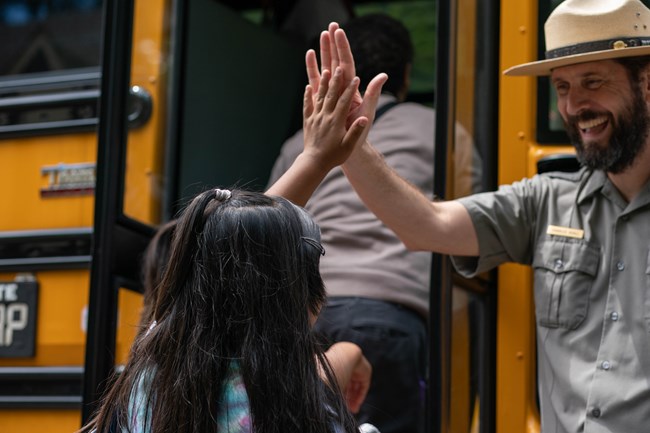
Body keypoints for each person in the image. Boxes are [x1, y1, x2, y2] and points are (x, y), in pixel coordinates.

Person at [271, 0, 650, 431]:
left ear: (647, 82)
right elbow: (426, 225)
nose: (573, 106)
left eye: (593, 81)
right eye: (561, 88)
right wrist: (351, 144)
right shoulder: (545, 201)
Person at [268, 14, 479, 433]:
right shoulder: (441, 130)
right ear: (403, 75)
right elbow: (471, 222)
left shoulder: (300, 143)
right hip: (393, 314)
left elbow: (272, 219)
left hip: (307, 312)